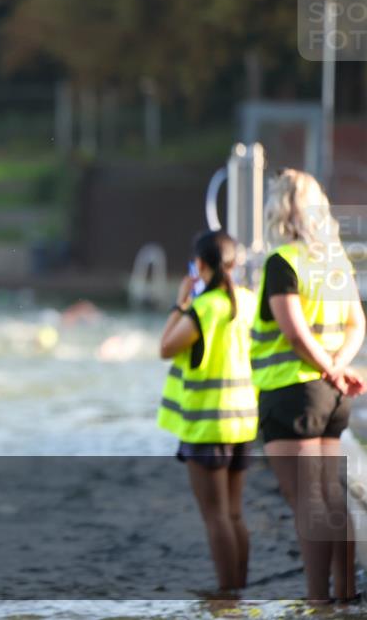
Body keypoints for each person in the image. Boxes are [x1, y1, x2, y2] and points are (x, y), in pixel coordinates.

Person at [250, 169, 365, 604]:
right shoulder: (335, 262)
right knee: (332, 496)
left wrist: (327, 369)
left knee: (307, 502)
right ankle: (346, 592)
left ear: (279, 210)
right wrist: (338, 367)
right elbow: (358, 322)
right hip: (332, 398)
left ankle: (317, 601)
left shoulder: (284, 262)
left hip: (292, 393)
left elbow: (295, 335)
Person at [158, 230, 258, 593]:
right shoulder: (249, 301)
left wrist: (180, 303)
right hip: (244, 422)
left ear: (200, 266)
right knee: (234, 514)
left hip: (207, 426)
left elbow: (166, 347)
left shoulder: (204, 307)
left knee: (215, 517)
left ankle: (226, 600)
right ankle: (240, 594)